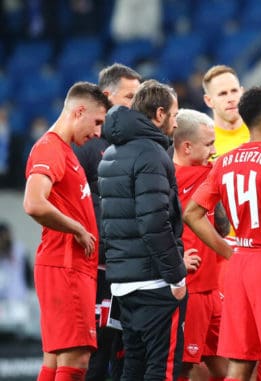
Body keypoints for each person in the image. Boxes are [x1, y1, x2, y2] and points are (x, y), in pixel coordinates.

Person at [183, 86, 261, 381]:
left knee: (240, 364)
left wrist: (230, 252)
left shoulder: (225, 161)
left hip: (240, 265)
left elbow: (192, 213)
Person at [98, 79, 187, 381]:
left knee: (133, 365)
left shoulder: (111, 152)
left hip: (123, 282)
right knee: (161, 369)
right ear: (159, 114)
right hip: (153, 284)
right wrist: (176, 274)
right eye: (174, 116)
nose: (176, 124)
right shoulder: (151, 153)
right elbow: (153, 224)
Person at [23, 82, 111, 381]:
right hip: (66, 266)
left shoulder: (65, 150)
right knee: (76, 358)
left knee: (56, 358)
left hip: (67, 266)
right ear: (79, 111)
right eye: (97, 122)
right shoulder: (50, 148)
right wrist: (78, 228)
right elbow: (34, 203)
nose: (98, 132)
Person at [72, 62, 142, 381]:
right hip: (94, 270)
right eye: (130, 96)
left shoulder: (130, 143)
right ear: (107, 96)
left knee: (120, 352)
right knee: (94, 355)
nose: (136, 103)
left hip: (124, 266)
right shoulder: (87, 145)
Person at [172, 109, 229, 381]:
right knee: (182, 367)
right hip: (189, 290)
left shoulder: (210, 172)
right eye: (208, 144)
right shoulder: (165, 179)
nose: (213, 150)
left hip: (214, 288)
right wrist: (176, 261)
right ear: (186, 146)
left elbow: (223, 225)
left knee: (233, 368)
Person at [202, 65, 249, 156]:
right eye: (222, 94)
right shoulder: (204, 147)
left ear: (242, 93)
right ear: (209, 101)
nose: (231, 99)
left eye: (234, 91)